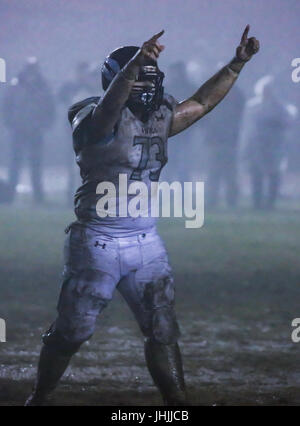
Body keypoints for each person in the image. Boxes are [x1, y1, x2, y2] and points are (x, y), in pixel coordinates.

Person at [25, 26, 259, 406]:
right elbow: (104, 117)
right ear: (118, 79)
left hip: (146, 240)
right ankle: (39, 396)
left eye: (151, 77)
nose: (147, 86)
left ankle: (178, 406)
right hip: (96, 240)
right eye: (137, 77)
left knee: (163, 329)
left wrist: (235, 65)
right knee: (73, 331)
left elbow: (201, 103)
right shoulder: (88, 115)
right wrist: (132, 67)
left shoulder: (159, 115)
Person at [3, 58, 55, 203]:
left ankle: (38, 197)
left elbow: (50, 108)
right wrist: (10, 123)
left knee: (36, 166)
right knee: (15, 165)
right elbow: (6, 107)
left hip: (36, 131)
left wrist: (45, 124)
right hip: (18, 130)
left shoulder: (43, 87)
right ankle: (9, 196)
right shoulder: (15, 87)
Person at [245, 78, 290, 209]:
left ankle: (270, 202)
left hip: (274, 147)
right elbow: (247, 128)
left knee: (273, 175)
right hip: (257, 146)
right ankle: (257, 202)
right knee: (256, 175)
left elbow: (286, 125)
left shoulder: (279, 107)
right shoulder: (252, 107)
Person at [203, 85, 245, 208]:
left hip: (226, 141)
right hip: (219, 141)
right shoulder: (235, 95)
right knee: (218, 173)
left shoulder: (233, 96)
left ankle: (224, 200)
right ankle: (216, 199)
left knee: (225, 173)